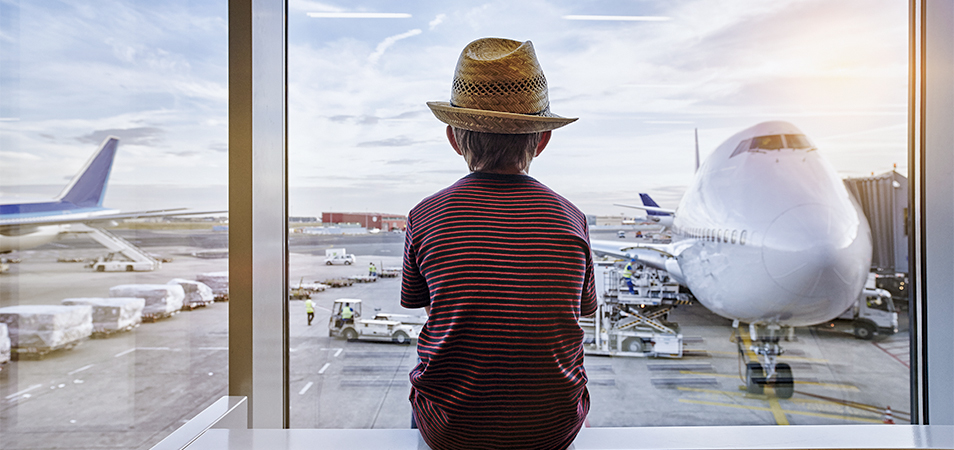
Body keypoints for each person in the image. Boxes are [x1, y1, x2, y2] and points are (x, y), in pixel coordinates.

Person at [401, 37, 598, 450]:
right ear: (542, 140)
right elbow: (579, 311)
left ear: (453, 139)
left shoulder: (425, 216)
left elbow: (431, 308)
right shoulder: (572, 219)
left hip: (450, 432)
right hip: (553, 430)